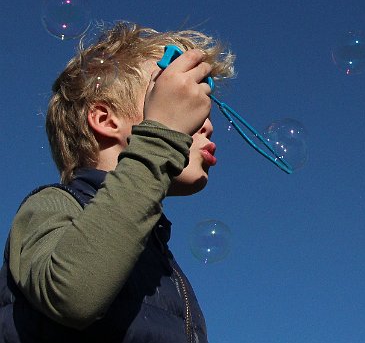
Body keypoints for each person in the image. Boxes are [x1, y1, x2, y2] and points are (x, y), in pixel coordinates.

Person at [0, 22, 235, 343]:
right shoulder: (52, 206)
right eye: (171, 98)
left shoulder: (161, 260)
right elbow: (72, 294)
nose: (206, 124)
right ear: (105, 119)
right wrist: (162, 135)